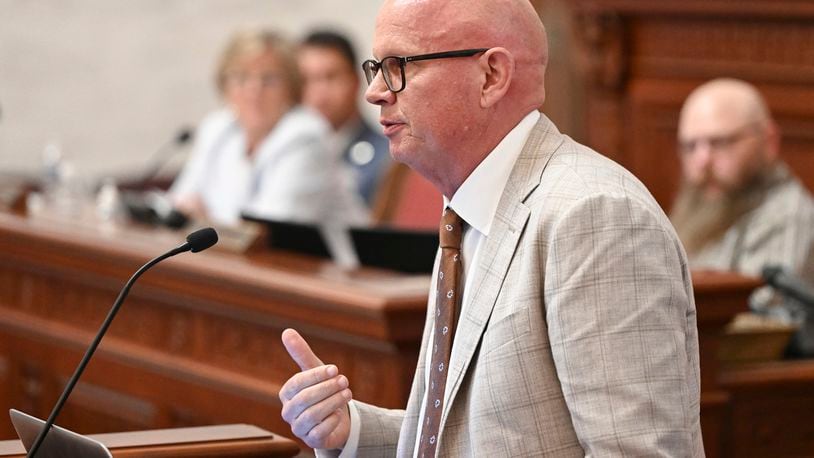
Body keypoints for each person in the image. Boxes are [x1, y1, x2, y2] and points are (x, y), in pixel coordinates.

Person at [278, 0, 704, 456]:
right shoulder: (467, 209)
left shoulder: (594, 217)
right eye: (375, 67)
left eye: (399, 65)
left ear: (491, 76)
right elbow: (493, 432)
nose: (376, 91)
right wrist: (355, 431)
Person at [670, 78, 814, 354]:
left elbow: (759, 321)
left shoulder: (787, 213)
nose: (703, 161)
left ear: (769, 141)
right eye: (690, 146)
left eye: (720, 142)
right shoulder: (699, 209)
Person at [169, 28, 368, 227]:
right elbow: (178, 205)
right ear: (224, 85)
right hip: (231, 256)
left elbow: (267, 229)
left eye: (269, 79)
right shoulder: (217, 128)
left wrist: (202, 220)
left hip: (324, 257)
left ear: (291, 87)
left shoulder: (306, 134)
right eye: (241, 77)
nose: (253, 90)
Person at [299, 30, 390, 206]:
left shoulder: (389, 159)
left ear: (355, 81)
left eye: (330, 77)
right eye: (307, 80)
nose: (319, 92)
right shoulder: (290, 154)